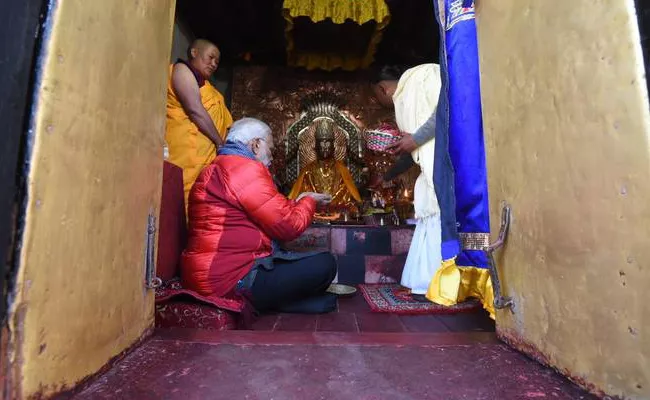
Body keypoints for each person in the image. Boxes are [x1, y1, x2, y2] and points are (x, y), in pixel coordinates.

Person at [181, 117, 338, 314]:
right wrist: (309, 202)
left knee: (314, 284)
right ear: (255, 144)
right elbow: (288, 226)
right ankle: (268, 303)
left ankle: (286, 303)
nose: (272, 158)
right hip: (226, 281)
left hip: (211, 274)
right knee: (325, 264)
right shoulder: (243, 169)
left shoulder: (223, 165)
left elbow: (271, 209)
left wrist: (299, 200)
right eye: (270, 150)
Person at [370, 64, 451, 297]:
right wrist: (386, 177)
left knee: (441, 218)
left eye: (375, 95)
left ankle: (446, 282)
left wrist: (415, 139)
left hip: (445, 164)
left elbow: (446, 107)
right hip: (428, 171)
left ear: (382, 88)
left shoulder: (423, 75)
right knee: (428, 216)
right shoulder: (403, 101)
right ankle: (425, 283)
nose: (377, 102)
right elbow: (412, 150)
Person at [165, 39, 233, 208]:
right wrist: (219, 143)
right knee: (175, 207)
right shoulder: (181, 70)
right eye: (210, 57)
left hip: (203, 165)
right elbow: (195, 110)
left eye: (217, 61)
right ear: (194, 52)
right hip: (183, 158)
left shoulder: (213, 93)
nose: (214, 64)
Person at [288, 119, 361, 215]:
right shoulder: (307, 170)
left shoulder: (341, 169)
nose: (325, 148)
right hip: (313, 211)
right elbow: (301, 196)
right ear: (315, 147)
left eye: (328, 144)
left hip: (337, 210)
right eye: (322, 144)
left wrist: (332, 203)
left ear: (333, 147)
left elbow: (347, 193)